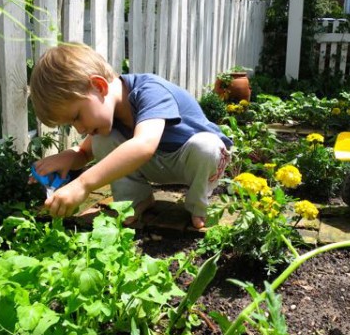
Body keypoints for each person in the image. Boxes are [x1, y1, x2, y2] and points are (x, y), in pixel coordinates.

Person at [29, 43, 232, 229]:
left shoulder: (150, 91)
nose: (80, 129)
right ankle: (135, 201)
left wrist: (83, 184)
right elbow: (85, 152)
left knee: (207, 147)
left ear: (99, 87)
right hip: (156, 164)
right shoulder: (109, 116)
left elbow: (143, 145)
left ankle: (197, 205)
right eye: (72, 124)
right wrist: (68, 157)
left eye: (77, 117)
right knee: (102, 140)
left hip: (192, 160)